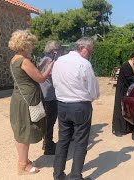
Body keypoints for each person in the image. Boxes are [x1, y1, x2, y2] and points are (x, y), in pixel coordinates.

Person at [52, 37, 99, 180]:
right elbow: (92, 90)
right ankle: (75, 177)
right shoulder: (84, 64)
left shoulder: (59, 61)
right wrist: (90, 98)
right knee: (80, 141)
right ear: (83, 48)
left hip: (62, 105)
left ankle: (58, 175)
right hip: (80, 105)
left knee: (63, 140)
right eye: (90, 51)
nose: (89, 54)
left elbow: (55, 82)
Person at [8, 29, 54, 175]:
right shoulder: (24, 61)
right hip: (26, 100)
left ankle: (24, 160)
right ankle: (22, 165)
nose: (33, 46)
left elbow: (32, 73)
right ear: (25, 45)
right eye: (31, 44)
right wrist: (50, 68)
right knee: (24, 132)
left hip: (20, 98)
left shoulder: (15, 58)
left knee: (21, 130)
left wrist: (42, 66)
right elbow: (40, 78)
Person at [39, 40, 60, 155]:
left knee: (48, 120)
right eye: (58, 49)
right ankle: (48, 145)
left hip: (45, 93)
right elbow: (53, 76)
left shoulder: (43, 59)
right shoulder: (49, 61)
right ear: (53, 51)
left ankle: (47, 143)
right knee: (50, 120)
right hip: (49, 95)